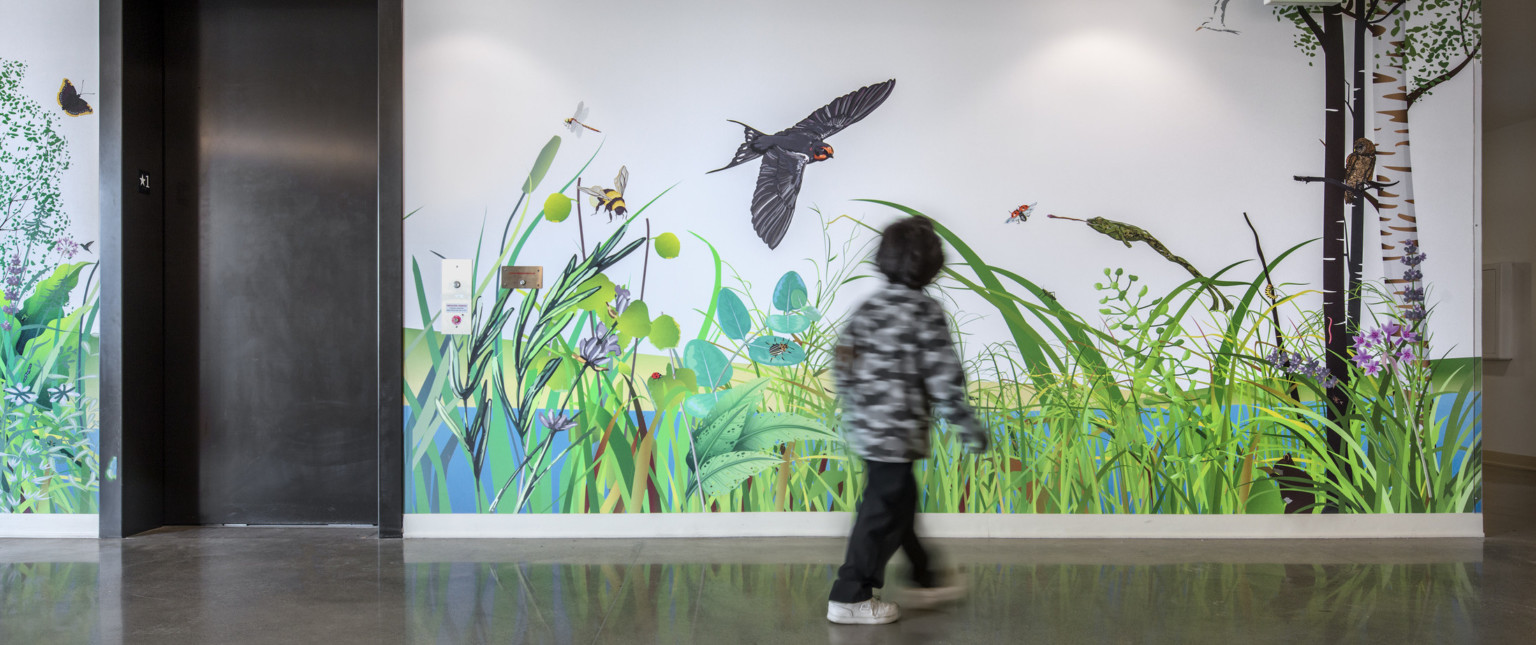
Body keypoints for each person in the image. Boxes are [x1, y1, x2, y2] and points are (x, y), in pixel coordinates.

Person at [826, 216, 990, 625]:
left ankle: (926, 576)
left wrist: (859, 405)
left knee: (899, 504)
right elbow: (943, 377)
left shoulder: (870, 307)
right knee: (881, 512)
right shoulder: (925, 311)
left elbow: (842, 359)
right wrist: (967, 425)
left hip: (867, 429)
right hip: (897, 434)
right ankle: (850, 595)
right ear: (933, 264)